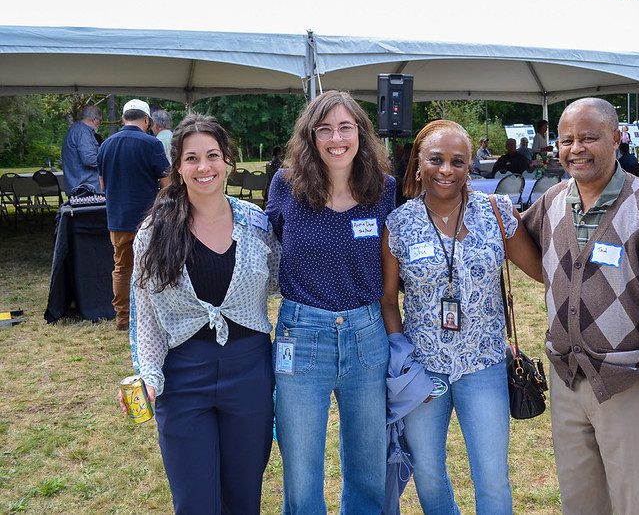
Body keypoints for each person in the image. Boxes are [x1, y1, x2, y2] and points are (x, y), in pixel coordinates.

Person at [521, 97, 639, 515]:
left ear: (618, 139)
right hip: (567, 378)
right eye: (567, 139)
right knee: (580, 499)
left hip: (628, 381)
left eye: (590, 137)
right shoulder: (552, 200)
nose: (576, 148)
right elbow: (517, 238)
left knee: (634, 501)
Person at [119, 114, 281, 514]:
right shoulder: (154, 232)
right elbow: (148, 318)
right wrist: (150, 375)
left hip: (249, 372)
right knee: (195, 501)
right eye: (192, 158)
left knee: (244, 496)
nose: (203, 167)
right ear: (178, 166)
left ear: (229, 160)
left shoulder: (257, 224)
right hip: (183, 376)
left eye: (213, 155)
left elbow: (283, 280)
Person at [381, 119, 542, 514]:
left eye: (458, 161)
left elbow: (543, 271)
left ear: (470, 165)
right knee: (428, 472)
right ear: (418, 163)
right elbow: (387, 299)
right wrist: (401, 358)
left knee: (491, 476)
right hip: (423, 369)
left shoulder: (495, 213)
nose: (446, 170)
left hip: (483, 364)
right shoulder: (400, 224)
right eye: (436, 159)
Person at [266, 90, 395, 513]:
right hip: (301, 335)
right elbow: (263, 245)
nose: (336, 138)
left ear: (360, 132)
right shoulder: (287, 185)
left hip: (366, 335)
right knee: (301, 468)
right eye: (324, 129)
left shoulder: (384, 189)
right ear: (310, 137)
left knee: (369, 465)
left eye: (345, 127)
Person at [98, 99, 170, 330]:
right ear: (147, 120)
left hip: (117, 219)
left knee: (122, 267)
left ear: (123, 119)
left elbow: (102, 185)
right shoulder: (152, 144)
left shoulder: (105, 145)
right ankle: (152, 317)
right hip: (147, 219)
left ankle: (123, 318)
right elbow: (167, 185)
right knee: (152, 267)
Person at [61, 105, 102, 195]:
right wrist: (110, 161)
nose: (100, 124)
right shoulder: (83, 133)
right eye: (100, 121)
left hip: (78, 187)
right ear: (94, 119)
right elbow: (89, 159)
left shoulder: (76, 129)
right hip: (87, 189)